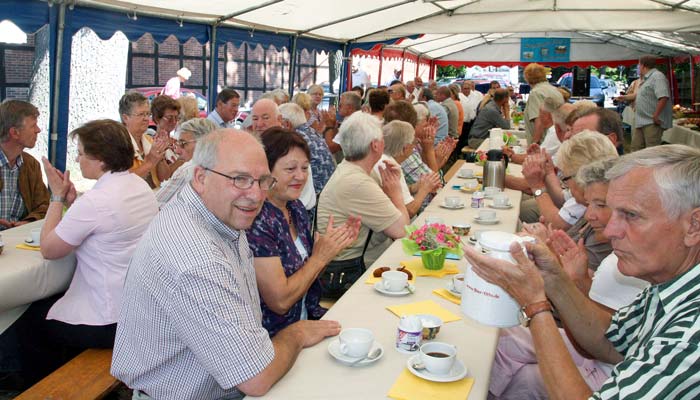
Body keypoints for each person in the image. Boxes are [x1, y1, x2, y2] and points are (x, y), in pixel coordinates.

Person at [112, 129, 341, 399]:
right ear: (200, 177)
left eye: (262, 181)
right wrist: (297, 333)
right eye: (240, 179)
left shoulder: (213, 213)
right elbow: (257, 377)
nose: (256, 195)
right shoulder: (197, 259)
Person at [467, 144, 700, 400]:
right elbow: (611, 342)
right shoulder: (670, 285)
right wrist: (553, 277)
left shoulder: (691, 336)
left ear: (693, 226)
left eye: (631, 215)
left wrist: (535, 305)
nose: (610, 231)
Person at [5, 119, 158, 386]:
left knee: (27, 323)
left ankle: (46, 388)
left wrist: (56, 197)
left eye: (80, 153)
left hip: (111, 319)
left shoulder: (98, 201)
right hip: (139, 308)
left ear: (100, 159)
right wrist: (73, 204)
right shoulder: (137, 186)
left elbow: (49, 249)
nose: (77, 160)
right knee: (44, 308)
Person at [490, 159, 648, 400]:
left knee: (519, 376)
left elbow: (605, 340)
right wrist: (570, 278)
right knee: (500, 339)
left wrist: (538, 301)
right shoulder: (638, 263)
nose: (591, 214)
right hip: (598, 353)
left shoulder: (635, 259)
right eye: (589, 203)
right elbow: (611, 334)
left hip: (604, 371)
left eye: (627, 214)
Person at [247, 128, 359, 336]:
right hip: (276, 339)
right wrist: (319, 257)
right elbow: (280, 302)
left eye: (305, 168)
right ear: (266, 171)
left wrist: (329, 250)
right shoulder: (257, 221)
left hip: (307, 319)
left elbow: (307, 275)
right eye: (290, 169)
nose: (300, 176)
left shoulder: (295, 208)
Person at [316, 112, 410, 297]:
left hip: (355, 264)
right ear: (375, 145)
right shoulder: (356, 182)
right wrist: (396, 193)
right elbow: (402, 230)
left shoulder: (352, 169)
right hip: (348, 275)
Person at [0, 100, 49, 230]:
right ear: (14, 132)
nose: (38, 130)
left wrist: (28, 222)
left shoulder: (31, 165)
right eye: (33, 126)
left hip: (18, 240)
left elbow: (43, 205)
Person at [380, 120, 441, 217]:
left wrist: (414, 187)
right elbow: (409, 211)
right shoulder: (391, 167)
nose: (414, 147)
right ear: (405, 148)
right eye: (415, 142)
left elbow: (396, 192)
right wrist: (424, 190)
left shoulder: (383, 159)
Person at [155, 118, 218, 207]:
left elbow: (155, 204)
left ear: (202, 143)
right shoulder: (222, 164)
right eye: (178, 143)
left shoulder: (188, 170)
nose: (177, 151)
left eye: (183, 143)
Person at [279, 103, 335, 195]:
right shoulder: (311, 132)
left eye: (279, 122)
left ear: (287, 124)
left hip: (315, 200)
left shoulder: (295, 141)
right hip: (328, 193)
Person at [119, 92, 170, 188]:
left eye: (148, 114)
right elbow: (123, 183)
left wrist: (160, 155)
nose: (146, 119)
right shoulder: (117, 144)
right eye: (141, 114)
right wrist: (150, 161)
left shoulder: (149, 140)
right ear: (125, 118)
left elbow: (165, 178)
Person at [632, 55, 672, 151]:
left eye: (638, 65)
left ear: (643, 65)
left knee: (651, 150)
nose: (638, 68)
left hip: (651, 121)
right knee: (636, 148)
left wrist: (656, 115)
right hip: (641, 120)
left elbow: (663, 97)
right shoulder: (646, 78)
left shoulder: (657, 77)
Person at [523, 63, 564, 144]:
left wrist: (534, 143)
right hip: (557, 138)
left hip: (544, 142)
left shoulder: (536, 93)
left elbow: (539, 119)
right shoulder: (555, 90)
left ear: (527, 78)